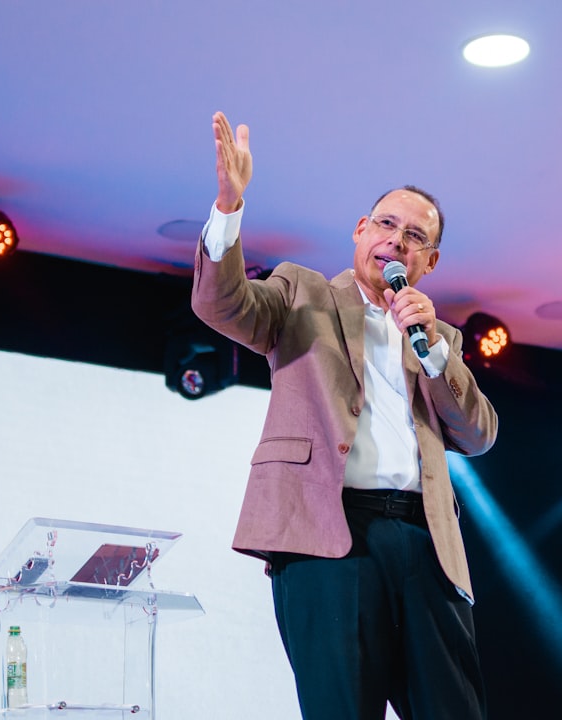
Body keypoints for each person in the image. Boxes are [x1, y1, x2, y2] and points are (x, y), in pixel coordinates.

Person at [192, 110, 499, 720]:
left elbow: (479, 434)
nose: (397, 240)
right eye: (387, 223)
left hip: (424, 540)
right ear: (360, 231)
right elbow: (221, 303)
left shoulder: (441, 340)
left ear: (429, 262)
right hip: (328, 535)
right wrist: (228, 207)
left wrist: (434, 349)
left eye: (415, 236)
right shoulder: (301, 292)